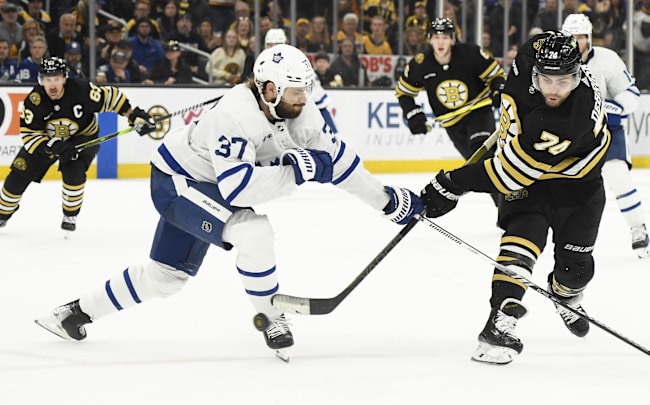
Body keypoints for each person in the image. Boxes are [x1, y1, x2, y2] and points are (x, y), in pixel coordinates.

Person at [33, 44, 424, 362]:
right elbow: (238, 190)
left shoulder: (300, 111)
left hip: (207, 185)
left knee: (165, 279)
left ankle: (73, 313)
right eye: (295, 91)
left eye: (306, 88)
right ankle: (270, 315)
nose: (303, 98)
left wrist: (387, 201)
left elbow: (336, 160)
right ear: (268, 89)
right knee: (254, 231)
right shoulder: (236, 115)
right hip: (178, 182)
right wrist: (298, 172)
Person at [419, 32, 609, 365]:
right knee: (521, 240)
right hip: (529, 179)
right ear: (534, 69)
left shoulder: (570, 118)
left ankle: (564, 292)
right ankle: (500, 321)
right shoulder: (529, 54)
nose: (554, 89)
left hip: (577, 186)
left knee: (575, 272)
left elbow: (509, 174)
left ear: (578, 75)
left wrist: (452, 182)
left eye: (564, 81)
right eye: (547, 79)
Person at [0, 57, 155, 231]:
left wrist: (133, 115)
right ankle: (2, 213)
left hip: (82, 138)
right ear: (40, 80)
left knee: (74, 173)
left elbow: (111, 97)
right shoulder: (35, 101)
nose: (52, 85)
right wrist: (52, 146)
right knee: (17, 176)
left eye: (57, 79)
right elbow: (29, 134)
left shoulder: (81, 90)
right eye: (47, 79)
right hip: (46, 142)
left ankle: (70, 214)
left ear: (65, 78)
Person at [562, 14, 650, 258]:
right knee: (565, 184)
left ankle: (637, 228)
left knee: (618, 176)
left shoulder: (607, 59)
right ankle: (565, 236)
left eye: (581, 37)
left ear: (589, 38)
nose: (577, 42)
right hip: (573, 135)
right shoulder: (554, 62)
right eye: (572, 37)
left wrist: (615, 108)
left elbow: (630, 94)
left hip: (607, 131)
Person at [395, 17, 506, 161]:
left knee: (481, 156)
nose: (440, 42)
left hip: (479, 114)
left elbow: (496, 75)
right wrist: (412, 113)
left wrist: (498, 89)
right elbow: (404, 93)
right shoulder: (421, 64)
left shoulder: (470, 54)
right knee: (474, 165)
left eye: (445, 37)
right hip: (452, 124)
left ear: (453, 40)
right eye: (436, 37)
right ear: (429, 39)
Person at [265, 28, 338, 133]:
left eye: (277, 44)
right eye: (270, 44)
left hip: (300, 113)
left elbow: (316, 97)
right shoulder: (263, 65)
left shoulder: (297, 61)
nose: (273, 48)